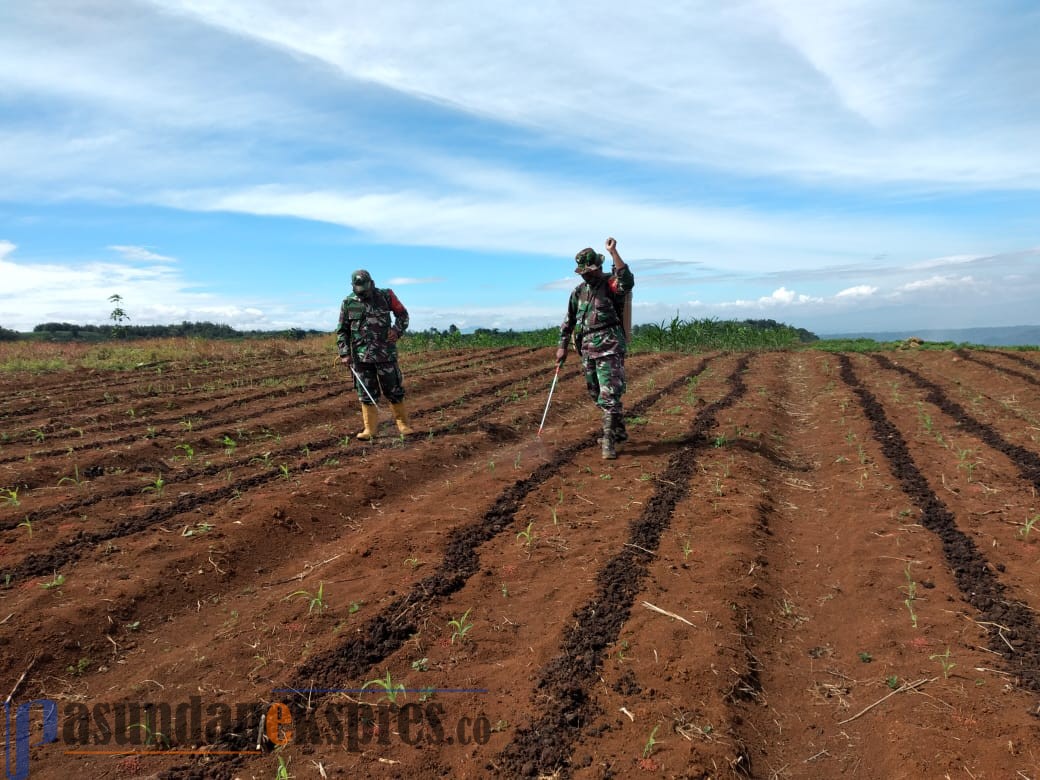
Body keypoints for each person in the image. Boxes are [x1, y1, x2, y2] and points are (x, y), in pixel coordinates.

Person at [556, 237, 634, 459]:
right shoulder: (578, 292)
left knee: (610, 395)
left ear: (599, 268)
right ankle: (618, 430)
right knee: (596, 394)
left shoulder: (610, 285)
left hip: (609, 346)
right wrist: (562, 346)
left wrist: (614, 253)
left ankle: (608, 441)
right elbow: (568, 321)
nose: (586, 275)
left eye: (589, 271)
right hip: (587, 350)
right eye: (583, 272)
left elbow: (626, 281)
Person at [336, 269, 414, 439]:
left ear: (372, 282)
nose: (364, 291)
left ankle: (403, 424)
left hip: (386, 354)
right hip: (361, 357)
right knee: (366, 393)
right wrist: (344, 353)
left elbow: (403, 315)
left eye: (366, 286)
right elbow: (342, 331)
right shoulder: (348, 302)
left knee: (393, 389)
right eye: (359, 288)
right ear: (353, 287)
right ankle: (369, 429)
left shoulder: (386, 296)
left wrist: (397, 330)